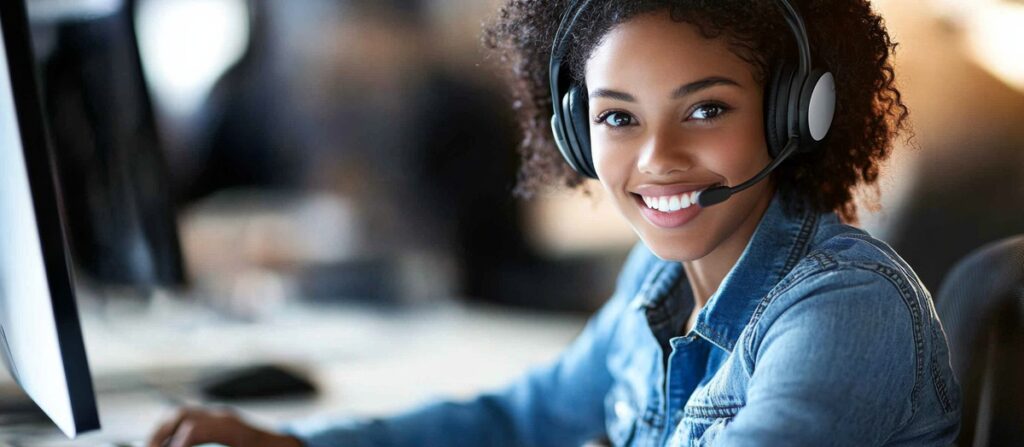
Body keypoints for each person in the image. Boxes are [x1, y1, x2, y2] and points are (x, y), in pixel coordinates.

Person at [146, 0, 962, 445]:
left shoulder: (844, 311)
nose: (657, 160)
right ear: (574, 129)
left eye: (706, 109)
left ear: (796, 115)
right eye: (617, 119)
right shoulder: (659, 282)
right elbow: (523, 416)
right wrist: (296, 445)